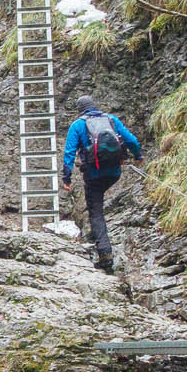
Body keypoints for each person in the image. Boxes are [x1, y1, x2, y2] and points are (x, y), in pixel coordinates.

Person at [60, 95, 143, 273]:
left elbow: (69, 154)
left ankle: (105, 256)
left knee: (96, 212)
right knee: (98, 205)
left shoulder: (78, 125)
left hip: (94, 175)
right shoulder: (111, 119)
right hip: (114, 173)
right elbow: (132, 141)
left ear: (80, 109)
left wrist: (66, 179)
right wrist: (138, 156)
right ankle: (97, 238)